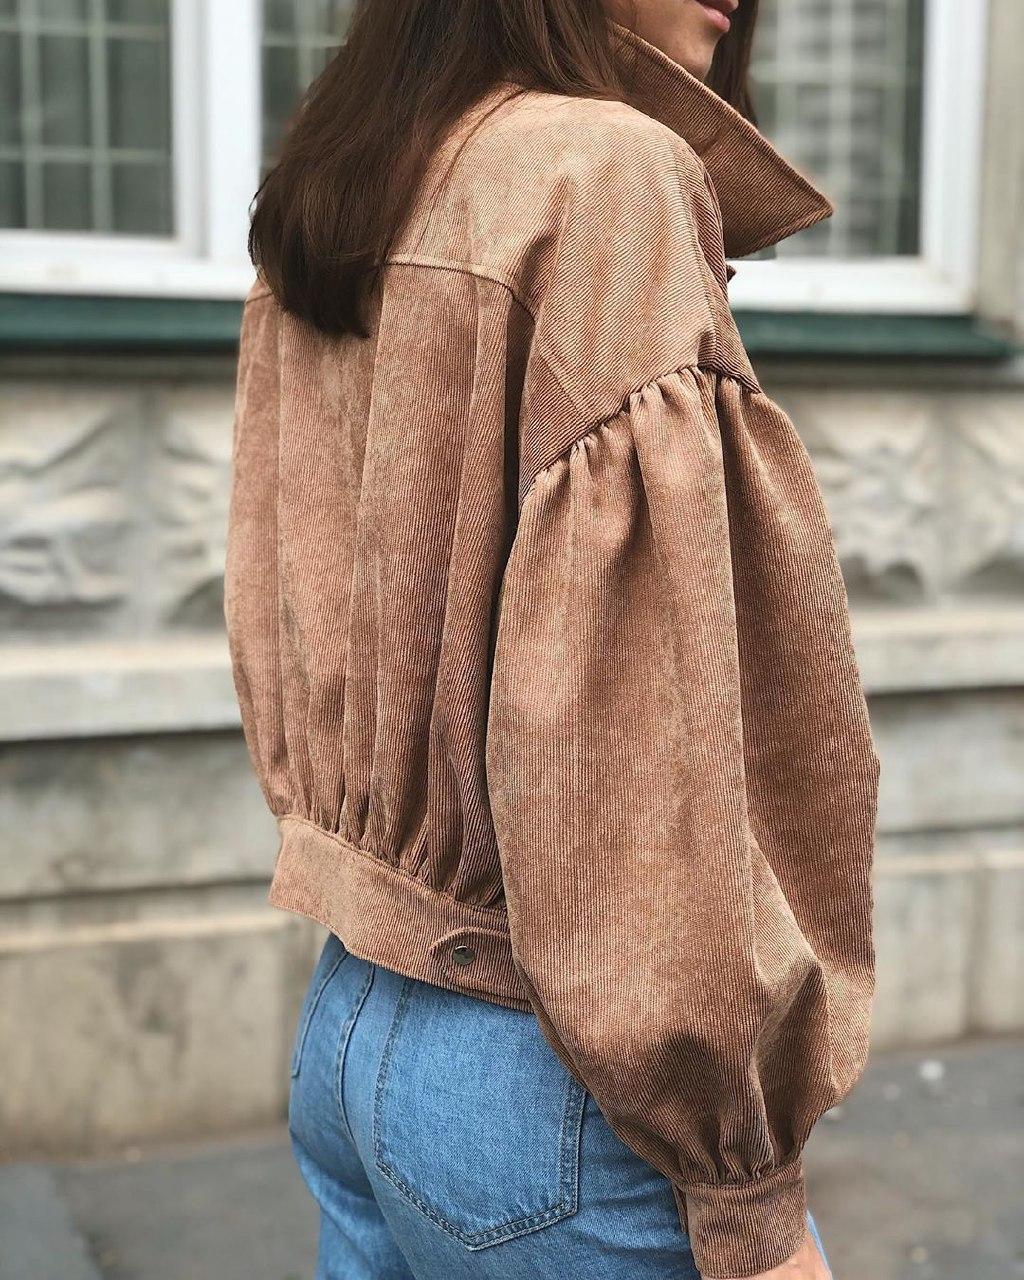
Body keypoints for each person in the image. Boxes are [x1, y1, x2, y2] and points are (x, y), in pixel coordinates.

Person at [226, 1, 880, 1277]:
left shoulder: (350, 184)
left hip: (352, 1022)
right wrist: (744, 1186)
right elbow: (638, 737)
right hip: (547, 1089)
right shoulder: (607, 171)